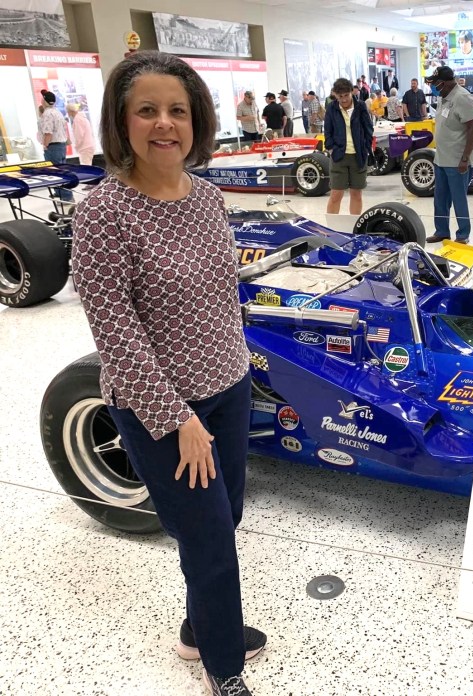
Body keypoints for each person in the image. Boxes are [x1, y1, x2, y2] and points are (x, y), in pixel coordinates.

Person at [70, 51, 265, 696]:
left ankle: (197, 628)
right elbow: (116, 335)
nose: (164, 124)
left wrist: (241, 365)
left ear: (196, 119)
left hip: (228, 385)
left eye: (177, 110)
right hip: (162, 407)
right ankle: (223, 666)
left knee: (224, 516)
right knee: (208, 539)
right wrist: (177, 418)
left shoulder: (207, 197)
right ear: (120, 121)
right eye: (147, 110)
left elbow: (221, 294)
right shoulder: (102, 213)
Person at [423, 66, 473, 245]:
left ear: (444, 83)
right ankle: (441, 231)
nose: (433, 86)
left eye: (435, 83)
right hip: (442, 158)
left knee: (458, 199)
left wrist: (465, 158)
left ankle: (463, 234)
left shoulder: (463, 98)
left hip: (458, 160)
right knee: (440, 199)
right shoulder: (443, 96)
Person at [324, 77, 373, 215]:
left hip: (358, 156)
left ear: (352, 92)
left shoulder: (361, 106)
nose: (344, 99)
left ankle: (354, 225)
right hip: (339, 156)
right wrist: (331, 148)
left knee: (356, 194)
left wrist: (366, 147)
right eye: (340, 96)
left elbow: (368, 128)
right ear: (335, 94)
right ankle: (332, 226)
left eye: (346, 95)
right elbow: (327, 131)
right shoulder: (331, 108)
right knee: (336, 194)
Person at [38, 90, 73, 201]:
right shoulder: (57, 112)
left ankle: (65, 196)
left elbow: (48, 133)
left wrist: (45, 145)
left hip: (53, 147)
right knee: (62, 171)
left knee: (56, 173)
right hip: (61, 146)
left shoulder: (47, 114)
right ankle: (62, 194)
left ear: (44, 100)